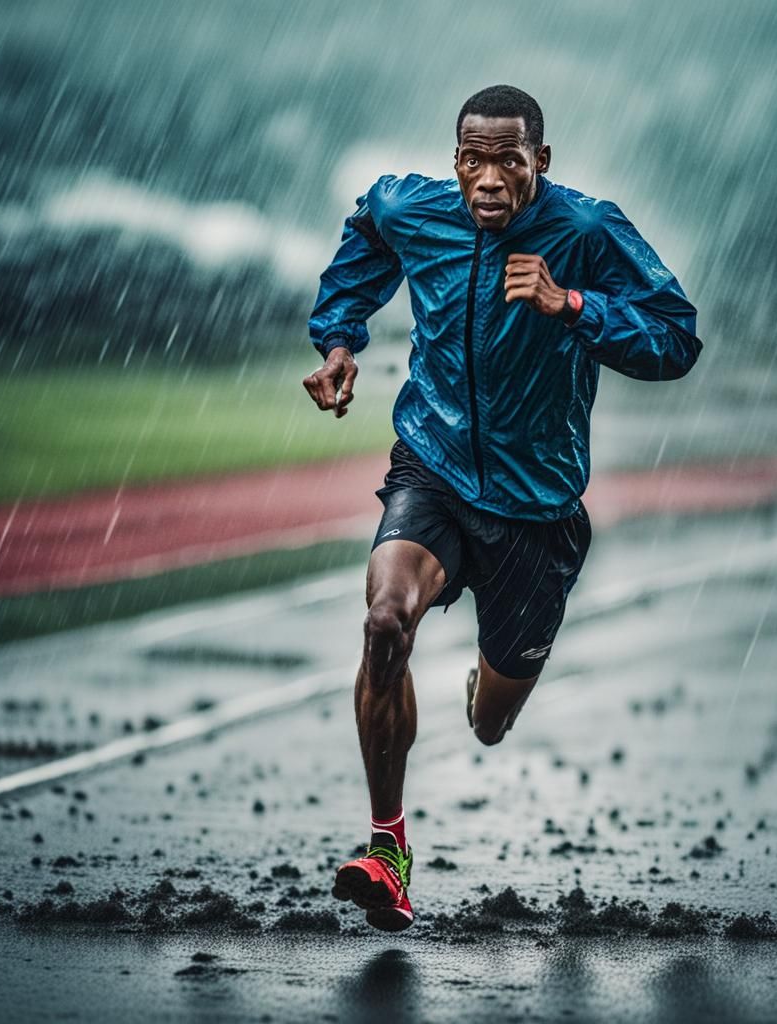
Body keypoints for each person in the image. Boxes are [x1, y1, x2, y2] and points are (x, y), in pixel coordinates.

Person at [303, 84, 702, 931]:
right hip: (435, 466)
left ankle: (492, 679)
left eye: (508, 162)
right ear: (455, 162)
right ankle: (387, 847)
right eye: (474, 161)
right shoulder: (416, 209)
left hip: (538, 506)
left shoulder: (587, 230)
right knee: (383, 624)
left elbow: (676, 335)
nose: (489, 180)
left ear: (540, 164)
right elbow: (368, 230)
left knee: (489, 725)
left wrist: (575, 306)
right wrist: (339, 339)